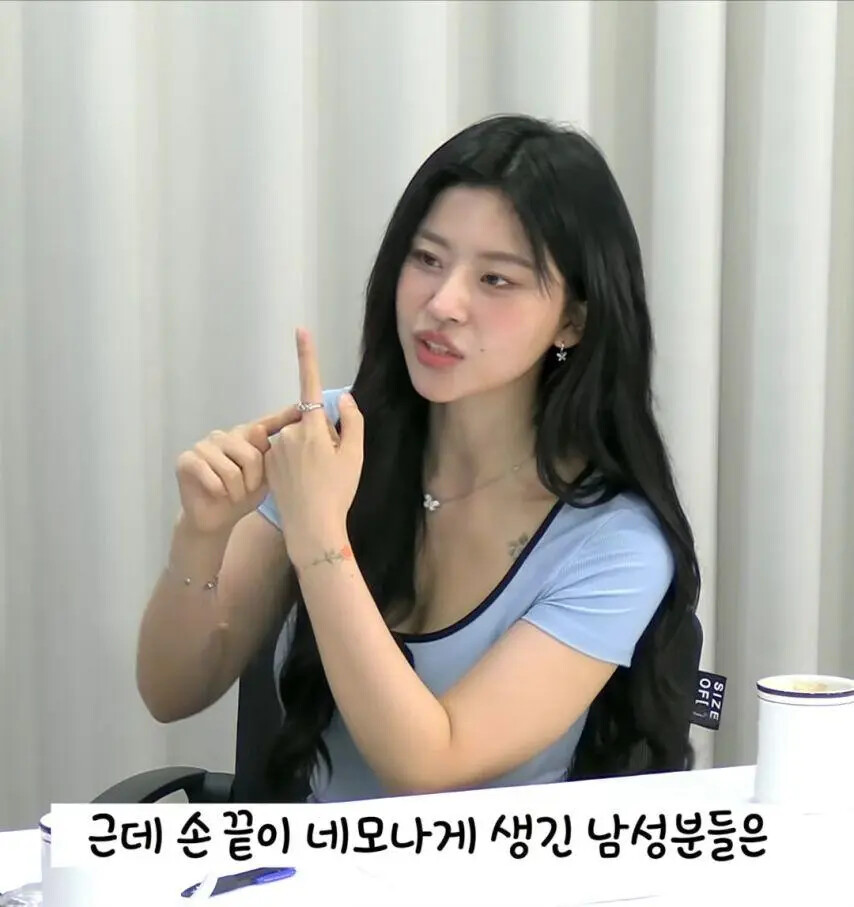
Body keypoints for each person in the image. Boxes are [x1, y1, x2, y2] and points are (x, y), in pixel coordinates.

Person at [136, 114, 701, 804]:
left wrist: (320, 538)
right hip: (304, 860)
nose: (443, 303)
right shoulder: (336, 439)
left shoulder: (615, 542)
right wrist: (201, 534)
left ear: (573, 320)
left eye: (496, 279)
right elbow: (171, 691)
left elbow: (431, 765)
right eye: (428, 259)